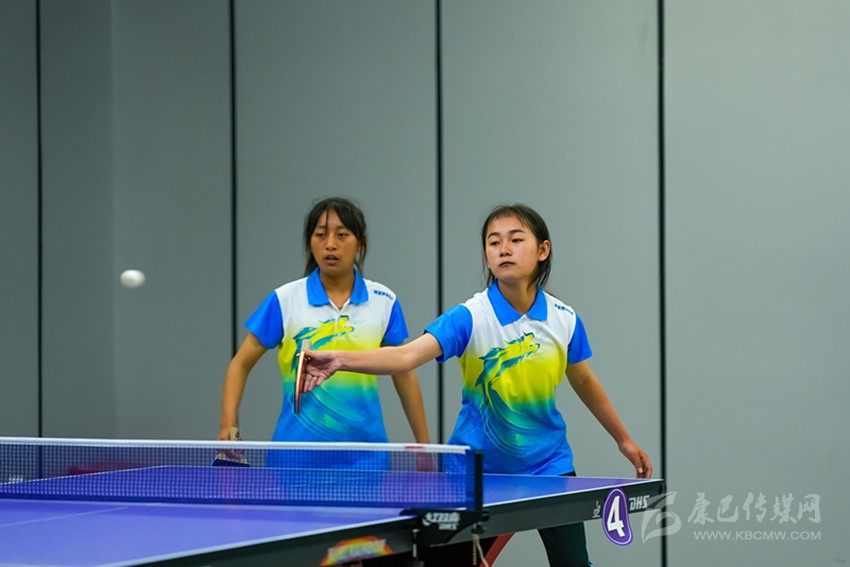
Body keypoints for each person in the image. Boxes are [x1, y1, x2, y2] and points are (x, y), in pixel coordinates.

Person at [301, 203, 652, 566]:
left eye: (516, 240)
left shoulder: (565, 320)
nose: (503, 249)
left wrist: (623, 439)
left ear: (543, 250)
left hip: (548, 467)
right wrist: (340, 359)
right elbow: (406, 356)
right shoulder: (470, 316)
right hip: (477, 472)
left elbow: (584, 380)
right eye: (493, 242)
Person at [218, 197, 430, 447]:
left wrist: (424, 446)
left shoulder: (384, 301)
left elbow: (404, 374)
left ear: (360, 243)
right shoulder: (285, 299)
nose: (330, 244)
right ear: (309, 243)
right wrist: (228, 425)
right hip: (295, 454)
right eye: (320, 235)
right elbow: (240, 364)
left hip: (366, 455)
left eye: (342, 235)